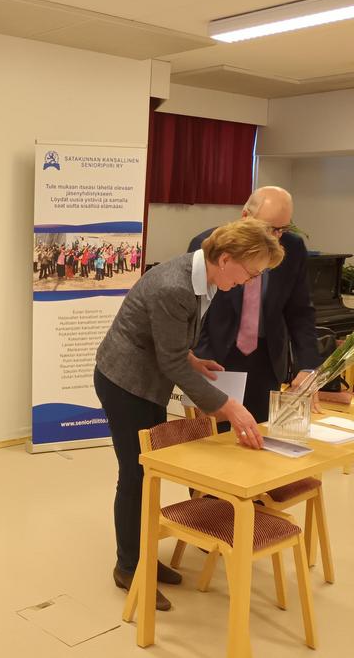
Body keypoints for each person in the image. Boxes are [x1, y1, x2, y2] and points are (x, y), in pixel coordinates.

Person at [95, 218, 282, 610]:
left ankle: (143, 555)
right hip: (125, 381)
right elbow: (170, 362)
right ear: (226, 259)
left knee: (147, 473)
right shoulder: (175, 286)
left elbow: (172, 346)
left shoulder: (205, 278)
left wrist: (192, 360)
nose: (249, 282)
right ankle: (129, 567)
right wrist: (229, 407)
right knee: (136, 474)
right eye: (250, 273)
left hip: (149, 378)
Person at [187, 186, 321, 422]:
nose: (275, 237)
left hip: (266, 361)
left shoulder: (293, 248)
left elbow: (300, 313)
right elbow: (196, 312)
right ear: (245, 216)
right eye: (269, 228)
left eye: (282, 229)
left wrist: (308, 367)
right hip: (216, 358)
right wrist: (201, 360)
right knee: (214, 436)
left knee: (260, 434)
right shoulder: (208, 244)